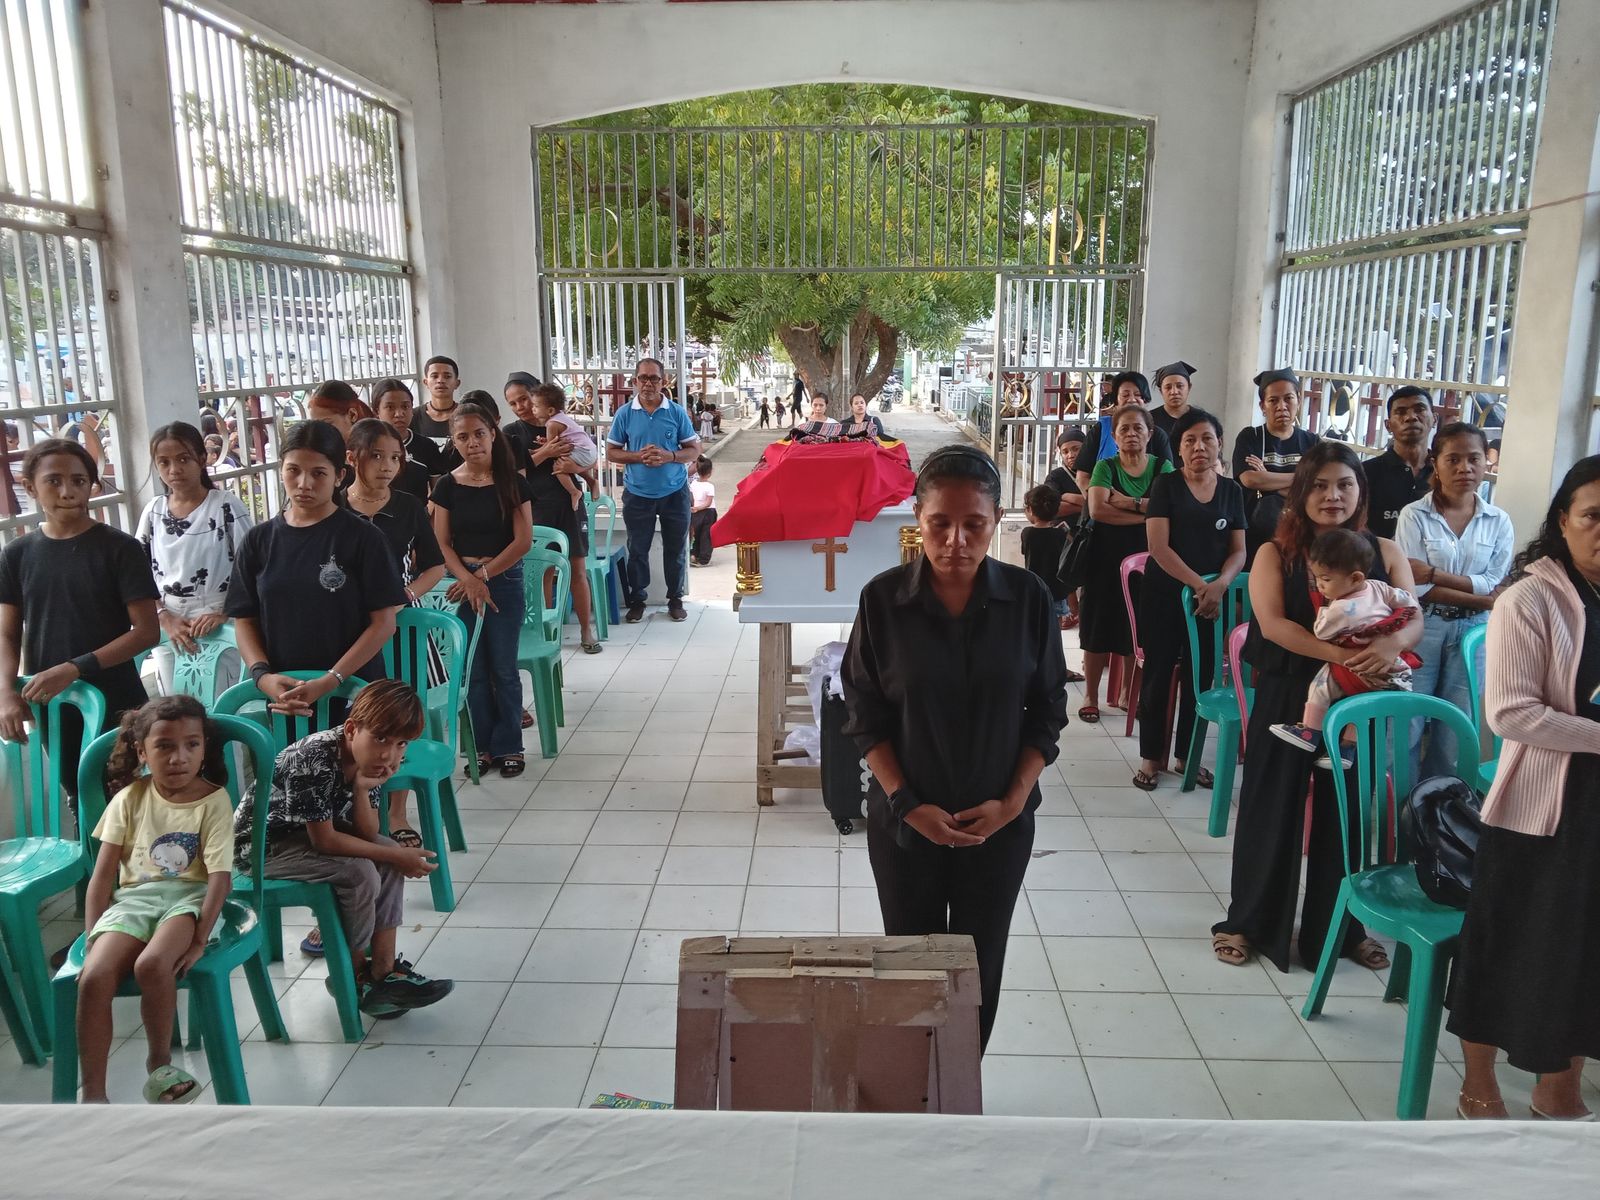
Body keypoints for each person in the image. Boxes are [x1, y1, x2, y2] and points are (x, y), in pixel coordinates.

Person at [842, 444, 1068, 1052]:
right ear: (917, 518)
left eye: (974, 524)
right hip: (905, 824)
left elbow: (1048, 712)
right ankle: (911, 1085)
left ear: (997, 523)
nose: (956, 540)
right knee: (910, 959)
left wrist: (1012, 803)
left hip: (998, 823)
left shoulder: (1028, 601)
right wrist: (907, 802)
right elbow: (865, 715)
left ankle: (962, 1083)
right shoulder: (884, 601)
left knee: (978, 963)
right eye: (940, 523)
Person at [1211, 442, 1419, 973]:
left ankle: (1342, 930)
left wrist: (1389, 649)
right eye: (1321, 485)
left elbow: (1412, 615)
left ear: (1360, 491)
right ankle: (1248, 921)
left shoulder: (1386, 552)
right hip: (1291, 696)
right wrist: (1342, 657)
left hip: (1362, 701)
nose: (1333, 496)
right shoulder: (1274, 554)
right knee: (1270, 806)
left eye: (1344, 484)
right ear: (1301, 491)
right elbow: (1276, 625)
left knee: (1345, 813)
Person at [1447, 456, 1600, 1121]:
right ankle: (1478, 1083)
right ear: (1563, 520)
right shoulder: (1530, 597)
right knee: (1509, 942)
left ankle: (1558, 1084)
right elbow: (1510, 713)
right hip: (1542, 806)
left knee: (1581, 949)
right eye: (1594, 516)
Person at [234, 679, 453, 1018]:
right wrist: (397, 853)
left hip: (312, 835)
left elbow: (367, 833)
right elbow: (325, 841)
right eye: (380, 738)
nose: (389, 754)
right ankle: (350, 973)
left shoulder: (369, 761)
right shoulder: (312, 757)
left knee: (386, 856)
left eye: (401, 744)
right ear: (352, 729)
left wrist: (363, 788)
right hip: (265, 848)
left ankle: (384, 973)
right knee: (360, 870)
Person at [74, 695, 234, 1104]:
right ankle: (93, 1093)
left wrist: (199, 938)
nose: (179, 757)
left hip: (188, 901)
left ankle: (159, 1065)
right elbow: (103, 875)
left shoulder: (213, 801)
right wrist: (94, 936)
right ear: (143, 751)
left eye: (192, 744)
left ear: (203, 748)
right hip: (133, 902)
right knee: (94, 978)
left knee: (152, 964)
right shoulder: (129, 799)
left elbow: (219, 879)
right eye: (164, 746)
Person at [0, 440, 159, 789]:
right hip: (55, 703)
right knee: (77, 795)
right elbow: (7, 634)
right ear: (29, 487)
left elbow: (147, 631)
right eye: (53, 481)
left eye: (78, 480)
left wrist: (74, 668)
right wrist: (5, 690)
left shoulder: (120, 549)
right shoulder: (17, 554)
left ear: (92, 485)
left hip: (117, 700)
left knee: (126, 799)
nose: (68, 491)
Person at [226, 421, 405, 720]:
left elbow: (383, 623)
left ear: (339, 476)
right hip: (285, 695)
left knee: (354, 765)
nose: (304, 483)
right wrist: (262, 676)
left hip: (354, 692)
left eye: (318, 473)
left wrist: (332, 679)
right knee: (291, 764)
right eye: (293, 470)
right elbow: (244, 618)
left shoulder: (363, 538)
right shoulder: (259, 540)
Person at [344, 418, 447, 841]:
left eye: (395, 458)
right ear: (353, 459)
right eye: (377, 457)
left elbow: (435, 565)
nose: (387, 466)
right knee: (356, 719)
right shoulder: (335, 506)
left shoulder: (406, 505)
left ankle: (397, 814)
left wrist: (406, 595)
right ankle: (351, 809)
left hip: (402, 626)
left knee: (400, 720)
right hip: (350, 626)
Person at [1395, 422, 1513, 779]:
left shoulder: (1499, 521)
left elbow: (1494, 582)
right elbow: (1414, 589)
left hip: (1474, 635)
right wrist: (1483, 599)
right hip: (1422, 625)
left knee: (1458, 722)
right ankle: (1399, 801)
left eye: (1474, 458)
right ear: (1436, 462)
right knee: (1408, 718)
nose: (1465, 468)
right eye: (1454, 459)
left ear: (1485, 463)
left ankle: (1439, 804)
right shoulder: (1414, 515)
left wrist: (1434, 574)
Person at [1135, 408, 1246, 789]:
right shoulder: (1166, 485)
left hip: (1210, 604)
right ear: (1179, 449)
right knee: (1158, 675)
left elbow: (1238, 551)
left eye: (1207, 439)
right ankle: (1152, 758)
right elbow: (1158, 547)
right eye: (1190, 440)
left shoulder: (1232, 491)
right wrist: (1201, 584)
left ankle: (1189, 756)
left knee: (1201, 681)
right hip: (1166, 595)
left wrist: (1219, 586)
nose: (1200, 447)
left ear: (1219, 445)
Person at [431, 402, 535, 777]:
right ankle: (481, 747)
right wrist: (468, 578)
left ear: (493, 434)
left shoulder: (513, 482)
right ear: (453, 441)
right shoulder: (447, 485)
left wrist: (484, 576)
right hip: (462, 582)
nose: (472, 442)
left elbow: (523, 541)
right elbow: (441, 543)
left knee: (503, 667)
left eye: (479, 434)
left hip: (503, 580)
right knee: (472, 670)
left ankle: (510, 746)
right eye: (462, 436)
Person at [1267, 527, 1423, 768]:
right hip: (1394, 669)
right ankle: (1347, 750)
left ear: (1355, 578)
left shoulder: (1342, 609)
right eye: (1317, 578)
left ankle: (1309, 731)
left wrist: (1326, 608)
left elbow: (1322, 631)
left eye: (1326, 579)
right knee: (1363, 707)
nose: (1320, 585)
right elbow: (1406, 601)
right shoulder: (1378, 587)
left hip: (1354, 665)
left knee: (1321, 688)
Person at [135, 421, 253, 696]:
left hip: (219, 618)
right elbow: (137, 575)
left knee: (221, 701)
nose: (174, 470)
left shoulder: (225, 506)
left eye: (183, 459)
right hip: (172, 625)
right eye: (164, 462)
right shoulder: (154, 512)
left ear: (202, 459)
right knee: (177, 702)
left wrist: (224, 613)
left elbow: (252, 567)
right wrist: (163, 617)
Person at [1077, 405, 1173, 723]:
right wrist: (1148, 512)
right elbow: (1098, 511)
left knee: (1138, 628)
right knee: (1097, 624)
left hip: (1150, 560)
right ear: (1115, 437)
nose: (1131, 434)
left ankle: (1127, 693)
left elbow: (1171, 510)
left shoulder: (1163, 468)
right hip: (1104, 558)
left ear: (1150, 434)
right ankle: (1091, 695)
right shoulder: (1105, 466)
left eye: (1137, 428)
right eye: (1124, 429)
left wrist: (1126, 502)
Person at [607, 358, 703, 624]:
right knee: (637, 550)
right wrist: (640, 456)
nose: (648, 383)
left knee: (676, 550)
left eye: (654, 378)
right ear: (635, 381)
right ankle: (637, 601)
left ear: (664, 381)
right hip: (638, 494)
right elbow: (611, 451)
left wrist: (669, 456)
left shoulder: (676, 412)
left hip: (675, 493)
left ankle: (675, 599)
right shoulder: (625, 413)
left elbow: (694, 450)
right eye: (643, 378)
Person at [513, 381, 600, 656]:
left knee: (578, 569)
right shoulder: (511, 434)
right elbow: (516, 474)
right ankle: (546, 632)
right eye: (512, 403)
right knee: (544, 572)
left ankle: (587, 630)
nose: (521, 407)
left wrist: (580, 470)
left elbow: (587, 456)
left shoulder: (557, 424)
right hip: (538, 507)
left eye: (525, 400)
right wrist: (546, 453)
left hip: (568, 506)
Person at [1232, 369, 1319, 565]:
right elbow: (1250, 479)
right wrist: (1303, 478)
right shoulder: (1250, 437)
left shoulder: (1312, 442)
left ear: (1298, 399)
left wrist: (1267, 479)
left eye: (1288, 398)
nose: (1282, 407)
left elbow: (1318, 487)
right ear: (1263, 406)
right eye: (1273, 401)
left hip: (1302, 535)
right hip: (1256, 537)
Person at [1362, 386, 1435, 539]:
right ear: (1388, 425)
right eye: (1400, 412)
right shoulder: (1366, 473)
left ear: (1434, 419)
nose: (1410, 417)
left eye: (1419, 409)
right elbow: (1357, 524)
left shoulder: (1445, 471)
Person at [1074, 372, 1173, 481]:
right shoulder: (1101, 429)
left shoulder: (1157, 434)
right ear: (1116, 400)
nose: (1131, 399)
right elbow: (1082, 478)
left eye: (1138, 395)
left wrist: (1132, 499)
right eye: (1125, 395)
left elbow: (1168, 481)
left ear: (1145, 399)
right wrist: (1098, 496)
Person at [371, 378, 446, 500]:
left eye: (405, 406)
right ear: (376, 411)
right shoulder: (368, 447)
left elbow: (438, 496)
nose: (399, 414)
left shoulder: (426, 446)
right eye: (390, 407)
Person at [528, 384, 600, 509]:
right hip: (589, 450)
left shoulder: (552, 424)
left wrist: (535, 452)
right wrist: (543, 446)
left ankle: (574, 492)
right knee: (567, 459)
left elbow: (551, 448)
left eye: (536, 406)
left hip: (583, 451)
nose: (532, 409)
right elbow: (553, 444)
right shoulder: (561, 417)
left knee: (558, 466)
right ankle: (592, 481)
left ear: (550, 410)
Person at [413, 355, 462, 448]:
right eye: (434, 376)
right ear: (425, 382)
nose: (440, 380)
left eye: (447, 376)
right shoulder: (413, 417)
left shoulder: (468, 415)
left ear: (457, 383)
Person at [305, 380, 374, 440]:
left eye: (327, 424)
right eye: (315, 427)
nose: (319, 433)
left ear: (352, 415)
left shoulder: (375, 447)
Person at [1150, 360, 1196, 439]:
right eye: (1168, 387)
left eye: (1179, 386)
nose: (1174, 392)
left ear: (1189, 387)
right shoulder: (1149, 420)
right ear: (1161, 391)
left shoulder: (1200, 419)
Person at [689, 456, 717, 568]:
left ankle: (694, 555)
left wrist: (694, 508)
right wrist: (699, 508)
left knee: (696, 534)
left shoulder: (693, 484)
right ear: (710, 472)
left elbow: (691, 498)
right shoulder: (710, 486)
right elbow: (708, 503)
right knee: (707, 536)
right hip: (708, 513)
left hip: (695, 513)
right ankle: (704, 559)